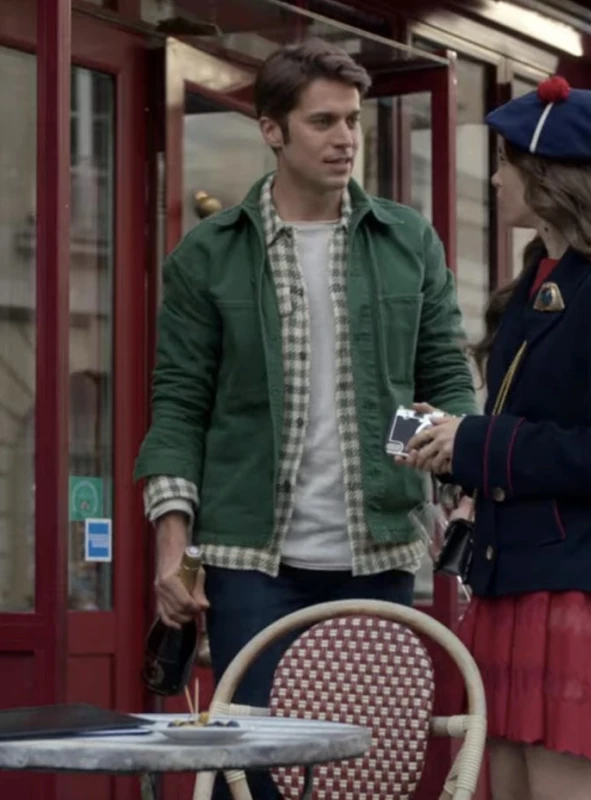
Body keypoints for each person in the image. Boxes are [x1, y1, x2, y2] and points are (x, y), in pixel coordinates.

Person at [134, 38, 476, 799]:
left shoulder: (406, 240)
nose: (345, 138)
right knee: (254, 774)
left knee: (363, 772)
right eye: (323, 121)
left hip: (377, 551)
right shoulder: (209, 255)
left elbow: (444, 374)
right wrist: (172, 547)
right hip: (251, 559)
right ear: (272, 129)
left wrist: (457, 466)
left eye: (352, 120)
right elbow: (180, 405)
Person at [401, 76, 591, 800]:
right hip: (516, 579)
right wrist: (455, 446)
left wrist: (477, 441)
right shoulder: (536, 283)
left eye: (505, 163)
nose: (494, 179)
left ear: (548, 178)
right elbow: (536, 432)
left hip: (576, 591)